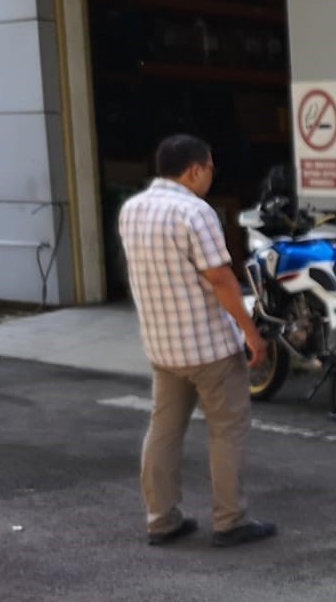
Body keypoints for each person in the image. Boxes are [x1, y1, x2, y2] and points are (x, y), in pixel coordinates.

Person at [117, 134, 276, 548]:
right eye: (209, 169)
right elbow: (220, 278)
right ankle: (230, 519)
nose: (210, 176)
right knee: (227, 431)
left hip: (162, 346)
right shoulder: (195, 211)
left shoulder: (132, 209)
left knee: (164, 430)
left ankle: (161, 519)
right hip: (209, 348)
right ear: (194, 170)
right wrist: (251, 333)